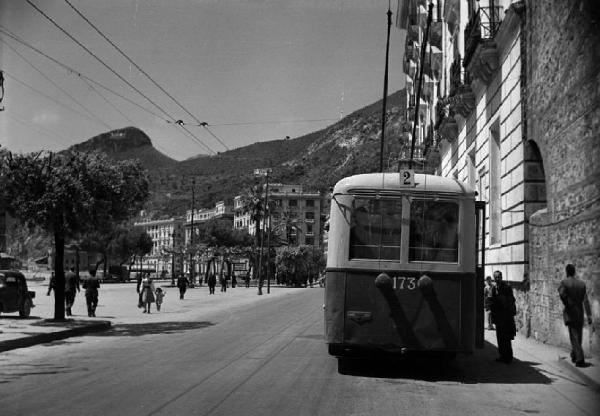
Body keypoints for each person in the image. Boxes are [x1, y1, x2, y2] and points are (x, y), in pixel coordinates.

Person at [558, 264, 593, 367]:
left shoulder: (564, 283)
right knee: (578, 335)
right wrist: (589, 315)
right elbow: (585, 300)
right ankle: (574, 355)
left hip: (570, 311)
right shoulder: (581, 284)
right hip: (580, 312)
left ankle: (580, 359)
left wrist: (567, 302)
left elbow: (561, 294)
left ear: (567, 272)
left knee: (574, 335)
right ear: (574, 272)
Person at [490, 270, 517, 364]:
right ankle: (502, 355)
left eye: (499, 277)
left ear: (501, 277)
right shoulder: (494, 288)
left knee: (506, 337)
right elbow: (492, 301)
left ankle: (508, 357)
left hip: (506, 317)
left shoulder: (506, 287)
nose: (497, 279)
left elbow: (511, 300)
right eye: (496, 277)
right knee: (500, 337)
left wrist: (503, 301)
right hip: (498, 317)